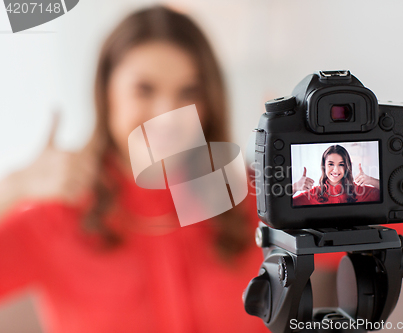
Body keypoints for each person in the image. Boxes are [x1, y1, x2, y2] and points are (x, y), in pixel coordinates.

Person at [0, 5, 267, 333]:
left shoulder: (254, 198)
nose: (167, 114)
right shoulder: (55, 216)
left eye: (188, 92)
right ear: (106, 93)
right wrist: (13, 187)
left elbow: (344, 236)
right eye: (145, 89)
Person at [293, 145, 380, 206]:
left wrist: (371, 180)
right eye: (331, 164)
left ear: (347, 167)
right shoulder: (313, 194)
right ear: (324, 166)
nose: (335, 170)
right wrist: (295, 187)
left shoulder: (359, 190)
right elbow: (282, 205)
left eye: (341, 164)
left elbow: (389, 194)